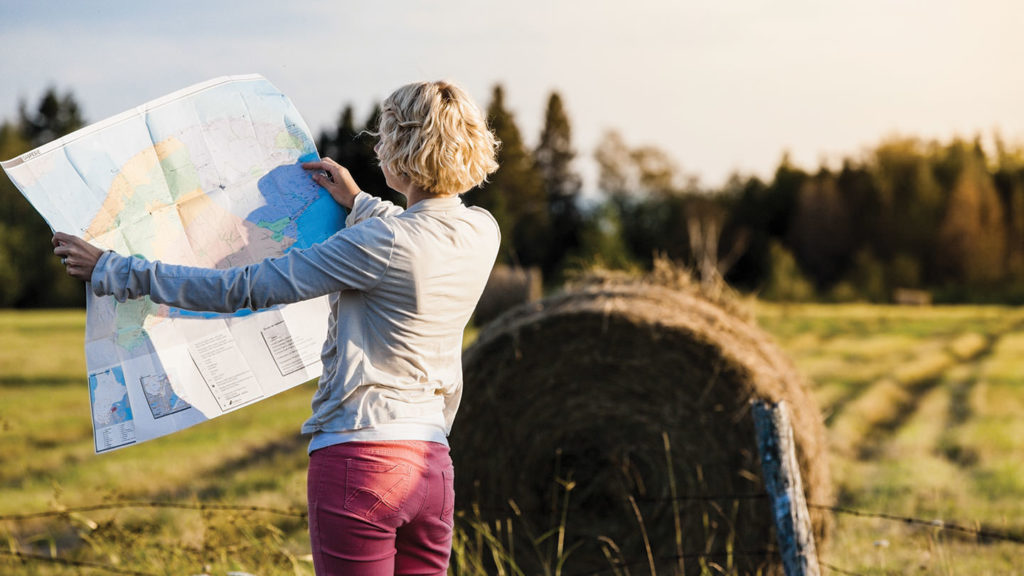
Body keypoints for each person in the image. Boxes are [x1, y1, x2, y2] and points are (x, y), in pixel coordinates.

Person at [52, 80, 501, 576]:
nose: (377, 147)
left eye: (385, 136)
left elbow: (242, 288)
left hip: (360, 460)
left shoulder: (381, 241)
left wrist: (114, 270)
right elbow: (417, 232)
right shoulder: (482, 230)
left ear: (403, 147)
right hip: (433, 467)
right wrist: (358, 201)